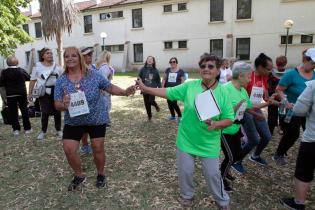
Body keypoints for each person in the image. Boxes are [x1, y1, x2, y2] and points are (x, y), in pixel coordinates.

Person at [136, 53, 234, 210]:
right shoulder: (190, 86)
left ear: (217, 71)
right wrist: (146, 88)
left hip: (209, 143)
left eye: (210, 66)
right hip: (186, 139)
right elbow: (168, 92)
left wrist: (216, 124)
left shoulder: (224, 93)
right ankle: (187, 195)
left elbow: (229, 119)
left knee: (213, 175)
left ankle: (222, 201)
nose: (206, 69)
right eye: (203, 66)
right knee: (185, 172)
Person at [54, 47, 135, 191]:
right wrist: (64, 105)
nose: (70, 58)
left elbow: (108, 86)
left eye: (74, 56)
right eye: (67, 56)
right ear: (64, 59)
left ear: (79, 58)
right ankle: (79, 175)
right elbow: (57, 103)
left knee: (97, 147)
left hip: (96, 117)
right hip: (74, 121)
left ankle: (101, 174)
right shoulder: (61, 80)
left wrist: (124, 92)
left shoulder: (93, 74)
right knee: (68, 149)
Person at [232, 53, 274, 174]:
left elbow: (266, 98)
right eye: (268, 69)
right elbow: (244, 103)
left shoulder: (264, 78)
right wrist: (256, 113)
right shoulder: (246, 77)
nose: (270, 71)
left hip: (256, 108)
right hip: (246, 110)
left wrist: (273, 99)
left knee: (267, 136)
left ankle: (255, 156)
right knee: (254, 139)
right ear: (260, 67)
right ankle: (236, 161)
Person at [273, 48, 315, 166]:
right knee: (293, 133)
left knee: (310, 134)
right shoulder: (291, 74)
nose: (313, 66)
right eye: (312, 63)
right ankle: (279, 153)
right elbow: (279, 90)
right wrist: (286, 102)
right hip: (293, 110)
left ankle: (308, 156)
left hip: (309, 111)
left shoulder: (314, 75)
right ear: (305, 60)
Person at [280, 80, 315, 210]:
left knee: (304, 171)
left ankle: (299, 203)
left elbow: (299, 109)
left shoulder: (313, 85)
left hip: (312, 140)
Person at [29, 48, 64, 140]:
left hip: (56, 91)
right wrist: (30, 93)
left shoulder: (57, 67)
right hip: (43, 91)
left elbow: (62, 80)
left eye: (51, 53)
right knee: (45, 112)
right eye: (47, 53)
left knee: (57, 111)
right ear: (42, 56)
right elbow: (32, 80)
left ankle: (58, 130)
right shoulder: (37, 66)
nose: (50, 55)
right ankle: (43, 131)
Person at [0, 56, 32, 135]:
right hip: (21, 94)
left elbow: (1, 83)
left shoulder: (4, 72)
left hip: (10, 94)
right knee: (24, 111)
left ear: (7, 63)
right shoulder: (21, 70)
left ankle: (16, 130)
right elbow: (28, 77)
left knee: (13, 113)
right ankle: (27, 128)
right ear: (17, 62)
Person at [79, 47, 96, 155]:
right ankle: (85, 145)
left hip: (94, 102)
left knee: (93, 124)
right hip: (82, 100)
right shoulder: (77, 69)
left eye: (90, 54)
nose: (89, 56)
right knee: (84, 126)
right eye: (87, 55)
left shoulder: (94, 67)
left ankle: (94, 144)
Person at [267, 55, 287, 135]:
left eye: (281, 65)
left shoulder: (287, 73)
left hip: (279, 95)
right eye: (279, 65)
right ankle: (274, 129)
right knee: (275, 115)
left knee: (280, 114)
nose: (280, 67)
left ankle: (278, 128)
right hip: (276, 95)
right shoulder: (271, 73)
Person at [161, 57, 185, 121]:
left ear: (176, 62)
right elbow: (164, 79)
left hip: (176, 90)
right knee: (169, 103)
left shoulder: (180, 71)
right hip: (168, 89)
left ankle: (180, 116)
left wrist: (181, 89)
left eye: (174, 62)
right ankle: (173, 116)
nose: (172, 63)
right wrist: (162, 87)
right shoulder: (167, 70)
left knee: (174, 103)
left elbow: (183, 81)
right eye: (171, 62)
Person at [138, 56, 161, 121]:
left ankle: (156, 105)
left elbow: (158, 80)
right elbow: (139, 77)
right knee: (146, 103)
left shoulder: (155, 70)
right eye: (148, 59)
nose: (149, 60)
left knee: (151, 101)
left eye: (151, 59)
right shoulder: (143, 69)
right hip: (144, 88)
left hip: (152, 89)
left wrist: (160, 89)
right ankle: (149, 116)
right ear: (146, 60)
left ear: (153, 61)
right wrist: (137, 84)